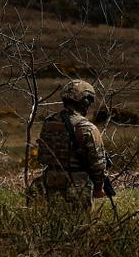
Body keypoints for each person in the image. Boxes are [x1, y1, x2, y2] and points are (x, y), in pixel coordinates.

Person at [32, 79, 112, 211]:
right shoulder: (87, 128)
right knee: (79, 227)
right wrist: (99, 187)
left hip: (49, 185)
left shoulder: (49, 123)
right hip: (77, 188)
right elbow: (98, 165)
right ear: (84, 101)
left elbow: (42, 157)